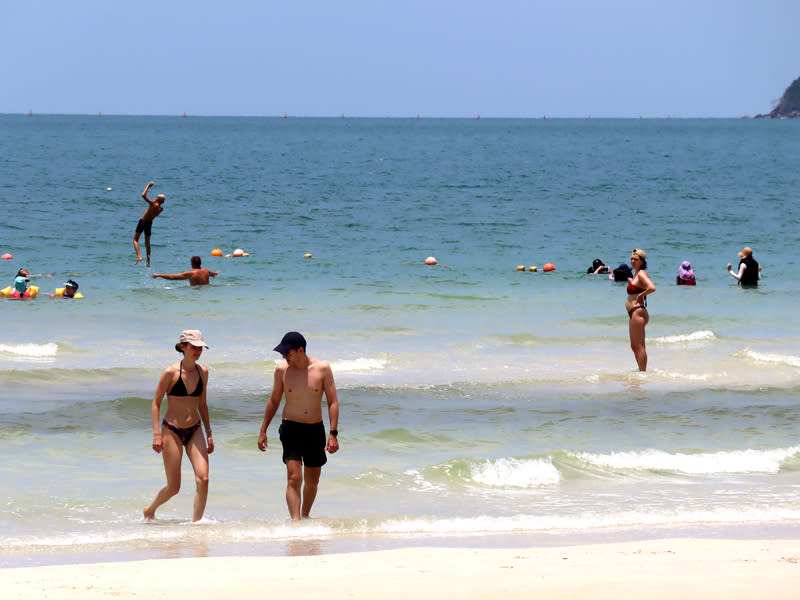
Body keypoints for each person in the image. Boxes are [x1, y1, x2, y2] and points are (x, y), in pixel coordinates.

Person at [258, 332, 340, 520]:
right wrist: (263, 430)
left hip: (314, 429)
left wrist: (333, 433)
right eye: (283, 354)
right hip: (290, 428)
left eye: (287, 353)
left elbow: (333, 402)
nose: (284, 357)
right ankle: (296, 522)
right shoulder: (282, 370)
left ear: (300, 350)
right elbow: (274, 401)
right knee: (294, 477)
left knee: (312, 481)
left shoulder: (322, 369)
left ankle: (305, 516)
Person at [144, 330, 214, 522]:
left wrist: (209, 432)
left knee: (204, 479)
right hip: (172, 430)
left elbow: (202, 404)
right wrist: (156, 435)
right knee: (174, 487)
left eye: (200, 348)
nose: (198, 351)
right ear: (183, 347)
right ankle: (149, 510)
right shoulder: (170, 373)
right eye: (194, 347)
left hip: (195, 429)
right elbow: (156, 404)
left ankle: (196, 524)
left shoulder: (203, 372)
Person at [626, 248, 656, 372]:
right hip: (633, 313)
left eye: (636, 259)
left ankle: (642, 373)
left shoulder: (642, 273)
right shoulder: (635, 273)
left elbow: (652, 288)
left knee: (639, 346)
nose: (633, 261)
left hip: (638, 312)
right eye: (632, 259)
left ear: (642, 261)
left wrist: (640, 296)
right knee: (633, 346)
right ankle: (640, 370)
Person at [134, 181, 165, 267]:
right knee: (147, 243)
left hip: (143, 221)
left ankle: (139, 256)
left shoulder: (153, 204)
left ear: (157, 199)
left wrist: (148, 186)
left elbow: (143, 195)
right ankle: (148, 261)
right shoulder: (160, 209)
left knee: (135, 240)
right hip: (149, 224)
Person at [152, 256, 220, 286]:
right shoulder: (206, 271)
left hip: (195, 294)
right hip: (206, 291)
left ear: (192, 264)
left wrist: (159, 275)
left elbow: (173, 277)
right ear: (200, 263)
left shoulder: (190, 273)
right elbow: (213, 274)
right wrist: (216, 273)